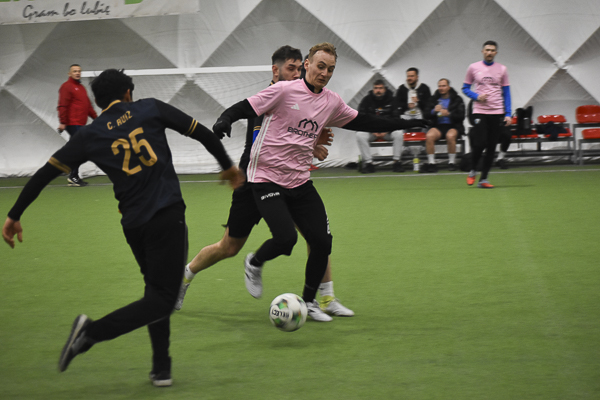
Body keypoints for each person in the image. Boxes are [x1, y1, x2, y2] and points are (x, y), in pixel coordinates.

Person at [2, 69, 243, 387]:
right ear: (128, 93)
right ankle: (91, 332)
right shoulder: (150, 107)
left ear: (99, 102)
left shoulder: (89, 135)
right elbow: (203, 134)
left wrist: (14, 214)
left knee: (155, 290)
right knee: (163, 298)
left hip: (134, 225)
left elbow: (45, 174)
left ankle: (161, 368)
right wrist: (227, 166)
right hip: (167, 216)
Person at [211, 42, 425, 322]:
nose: (324, 73)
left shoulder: (331, 101)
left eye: (330, 69)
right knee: (286, 239)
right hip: (266, 178)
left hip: (299, 181)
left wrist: (406, 124)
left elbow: (365, 121)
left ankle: (311, 303)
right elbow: (245, 106)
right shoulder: (284, 90)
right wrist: (224, 119)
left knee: (322, 243)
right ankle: (254, 261)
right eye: (320, 66)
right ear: (307, 65)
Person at [176, 45, 354, 318]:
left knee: (316, 237)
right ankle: (185, 276)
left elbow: (294, 136)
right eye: (291, 68)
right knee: (229, 247)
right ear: (275, 70)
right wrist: (309, 142)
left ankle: (326, 298)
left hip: (287, 182)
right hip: (254, 183)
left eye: (299, 68)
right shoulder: (272, 98)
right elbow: (269, 142)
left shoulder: (302, 97)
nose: (297, 73)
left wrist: (311, 142)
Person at [462, 40, 512, 188]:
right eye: (487, 50)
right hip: (480, 111)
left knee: (491, 146)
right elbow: (465, 88)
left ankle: (484, 179)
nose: (489, 52)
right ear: (483, 51)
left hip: (497, 112)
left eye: (492, 50)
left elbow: (507, 93)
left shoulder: (502, 69)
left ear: (496, 53)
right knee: (480, 143)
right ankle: (473, 170)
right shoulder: (473, 67)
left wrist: (508, 113)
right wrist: (477, 97)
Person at [57, 64, 98, 186]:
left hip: (80, 123)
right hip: (72, 123)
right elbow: (62, 105)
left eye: (79, 71)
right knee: (80, 149)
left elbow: (88, 106)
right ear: (69, 74)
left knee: (77, 149)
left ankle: (70, 172)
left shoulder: (81, 88)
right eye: (74, 71)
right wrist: (63, 122)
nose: (77, 73)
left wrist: (97, 118)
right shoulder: (66, 87)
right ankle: (73, 175)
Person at [356, 79, 404, 173]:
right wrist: (372, 130)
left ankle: (397, 162)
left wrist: (386, 130)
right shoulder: (366, 100)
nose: (378, 90)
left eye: (380, 88)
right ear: (373, 89)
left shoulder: (392, 100)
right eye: (376, 88)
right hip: (372, 132)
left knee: (399, 133)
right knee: (360, 134)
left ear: (384, 89)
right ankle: (369, 163)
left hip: (388, 132)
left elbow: (396, 118)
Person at [421, 78, 465, 173]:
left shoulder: (457, 99)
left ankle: (451, 162)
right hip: (438, 126)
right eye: (439, 86)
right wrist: (433, 111)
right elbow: (425, 114)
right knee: (429, 136)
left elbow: (461, 116)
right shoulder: (433, 99)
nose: (441, 88)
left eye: (444, 86)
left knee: (450, 136)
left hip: (453, 125)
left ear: (449, 87)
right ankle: (432, 163)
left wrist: (449, 114)